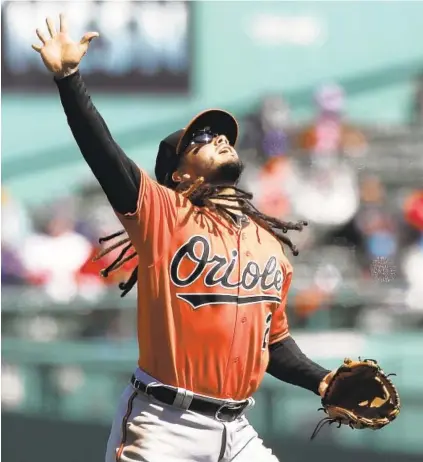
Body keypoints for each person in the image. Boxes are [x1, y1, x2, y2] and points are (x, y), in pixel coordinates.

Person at [32, 14, 336, 462]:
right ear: (179, 173)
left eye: (223, 135)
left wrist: (322, 381)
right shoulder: (164, 214)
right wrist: (70, 80)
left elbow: (273, 342)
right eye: (203, 138)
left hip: (238, 431)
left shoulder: (267, 243)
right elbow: (106, 156)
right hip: (163, 423)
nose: (220, 140)